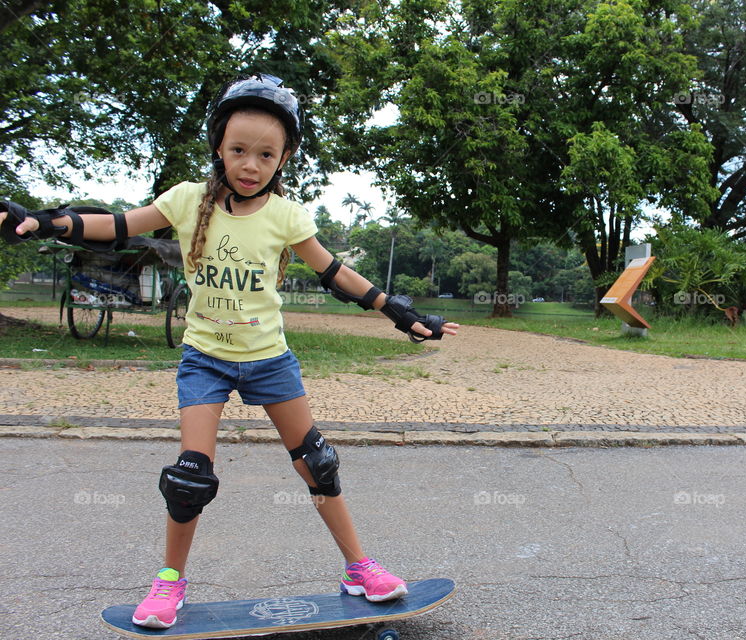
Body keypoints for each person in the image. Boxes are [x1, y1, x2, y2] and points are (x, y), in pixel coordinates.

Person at [0, 73, 459, 630]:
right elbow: (118, 226)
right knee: (190, 477)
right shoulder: (188, 201)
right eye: (239, 149)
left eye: (266, 154)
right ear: (218, 145)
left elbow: (335, 273)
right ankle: (169, 584)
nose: (250, 164)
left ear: (284, 158)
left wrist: (403, 313)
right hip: (205, 359)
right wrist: (48, 222)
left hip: (269, 359)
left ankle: (359, 568)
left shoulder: (287, 216)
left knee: (319, 465)